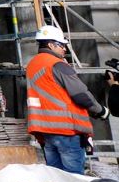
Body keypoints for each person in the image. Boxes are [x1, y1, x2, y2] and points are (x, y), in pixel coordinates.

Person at [26, 25, 109, 174]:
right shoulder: (57, 64)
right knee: (74, 179)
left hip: (46, 131)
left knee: (57, 177)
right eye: (62, 45)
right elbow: (81, 95)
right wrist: (100, 111)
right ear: (51, 45)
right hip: (66, 131)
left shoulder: (33, 64)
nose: (65, 49)